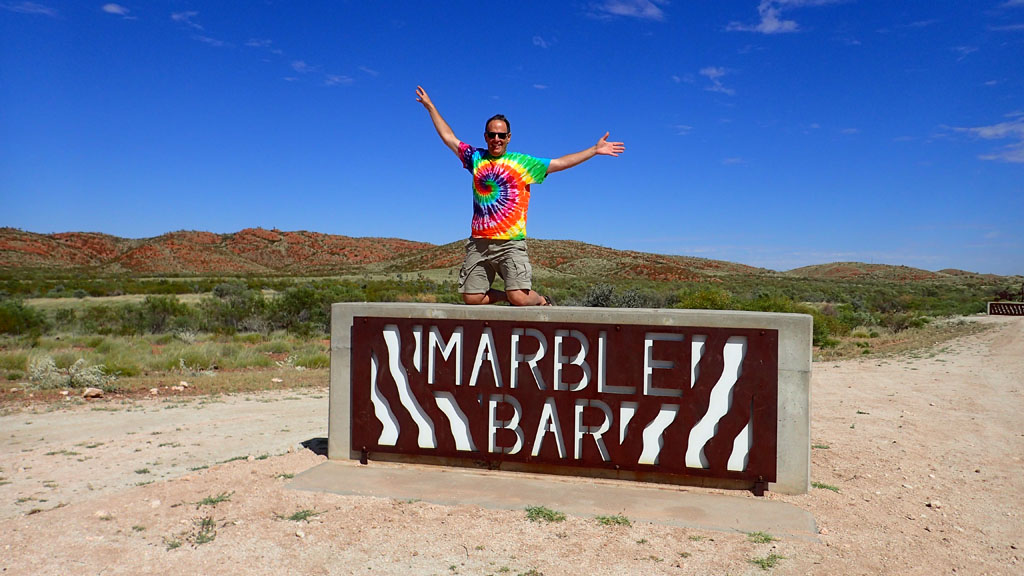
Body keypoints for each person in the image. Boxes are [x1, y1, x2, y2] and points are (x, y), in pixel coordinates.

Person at [416, 85, 625, 306]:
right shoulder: (476, 158)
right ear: (485, 136)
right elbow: (449, 137)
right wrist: (430, 107)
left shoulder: (523, 163)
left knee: (519, 297)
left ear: (508, 137)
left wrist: (593, 150)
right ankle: (508, 296)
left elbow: (559, 163)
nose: (496, 139)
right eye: (492, 134)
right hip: (479, 243)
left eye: (501, 135)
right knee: (472, 298)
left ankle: (542, 301)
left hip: (511, 243)